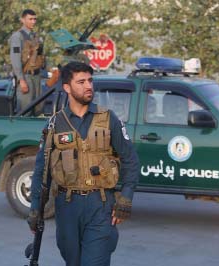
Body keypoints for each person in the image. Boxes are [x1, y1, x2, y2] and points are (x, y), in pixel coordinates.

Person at [28, 62, 140, 266]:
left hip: (101, 204)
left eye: (90, 80)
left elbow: (131, 159)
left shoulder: (108, 119)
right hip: (67, 206)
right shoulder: (54, 124)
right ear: (67, 87)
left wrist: (126, 198)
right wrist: (36, 208)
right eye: (81, 82)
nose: (88, 86)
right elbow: (41, 172)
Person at [9, 9, 45, 114]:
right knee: (26, 110)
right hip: (26, 77)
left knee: (39, 110)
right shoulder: (18, 37)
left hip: (37, 76)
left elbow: (41, 57)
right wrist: (21, 79)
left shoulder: (35, 37)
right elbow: (15, 59)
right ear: (23, 20)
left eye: (35, 19)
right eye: (30, 19)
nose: (33, 21)